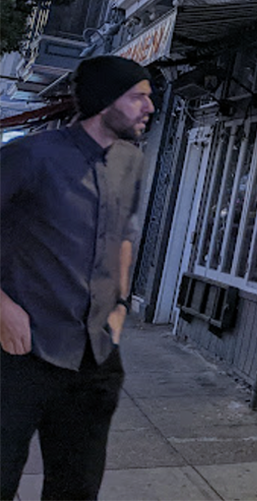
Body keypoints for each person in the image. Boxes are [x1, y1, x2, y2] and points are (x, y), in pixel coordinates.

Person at [0, 56, 154, 501]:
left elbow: (123, 235)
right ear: (103, 102)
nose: (149, 106)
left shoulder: (131, 162)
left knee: (77, 488)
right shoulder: (30, 156)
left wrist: (121, 304)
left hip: (96, 356)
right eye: (137, 97)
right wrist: (3, 309)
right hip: (22, 353)